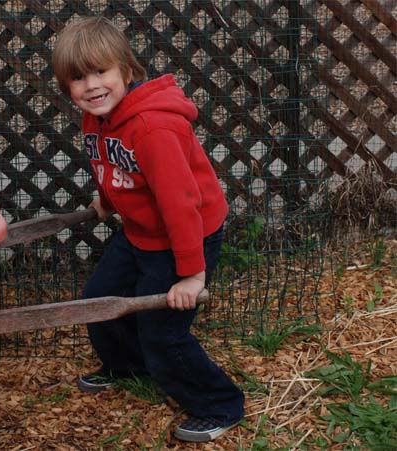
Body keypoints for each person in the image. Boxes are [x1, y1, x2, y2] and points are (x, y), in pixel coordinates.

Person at [52, 16, 245, 443]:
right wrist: (106, 201)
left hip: (185, 233)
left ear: (126, 69)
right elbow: (107, 162)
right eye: (78, 78)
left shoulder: (154, 128)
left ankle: (220, 404)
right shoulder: (96, 119)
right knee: (98, 301)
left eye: (100, 71)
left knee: (161, 331)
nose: (91, 85)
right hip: (141, 230)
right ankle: (127, 366)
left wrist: (191, 275)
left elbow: (181, 205)